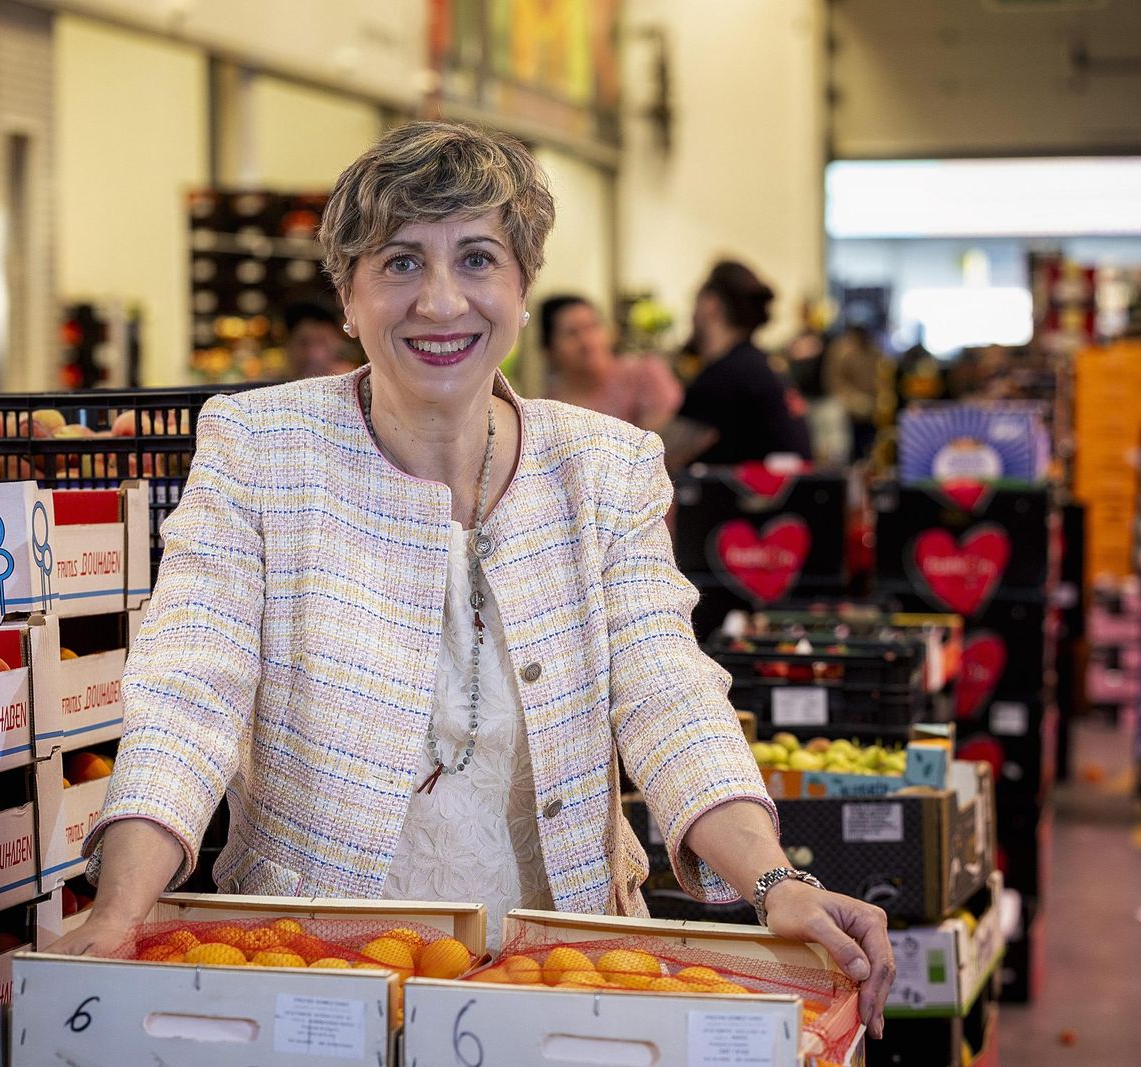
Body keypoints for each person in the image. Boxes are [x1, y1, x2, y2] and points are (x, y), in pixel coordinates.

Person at [48, 121, 894, 1036]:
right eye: (400, 262)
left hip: (560, 977)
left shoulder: (606, 467)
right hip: (316, 975)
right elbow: (189, 692)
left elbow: (667, 693)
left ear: (523, 287)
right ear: (348, 295)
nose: (441, 301)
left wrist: (774, 881)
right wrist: (121, 911)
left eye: (478, 258)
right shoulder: (259, 448)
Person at [667, 260, 812, 467]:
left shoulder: (725, 376)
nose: (691, 315)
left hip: (758, 489)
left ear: (711, 306)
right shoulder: (757, 366)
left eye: (695, 303)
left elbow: (659, 459)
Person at [540, 293, 684, 431]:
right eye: (572, 333)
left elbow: (664, 435)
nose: (587, 342)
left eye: (592, 327)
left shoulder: (644, 375)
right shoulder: (547, 410)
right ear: (549, 350)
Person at [823, 325, 886, 460]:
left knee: (872, 445)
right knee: (847, 447)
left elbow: (881, 378)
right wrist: (854, 400)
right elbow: (835, 380)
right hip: (848, 408)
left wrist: (877, 399)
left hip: (873, 409)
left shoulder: (875, 351)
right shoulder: (841, 350)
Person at [283, 300, 356, 378]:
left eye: (323, 342)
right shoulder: (277, 382)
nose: (314, 355)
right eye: (304, 343)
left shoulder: (354, 380)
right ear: (288, 345)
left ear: (338, 343)